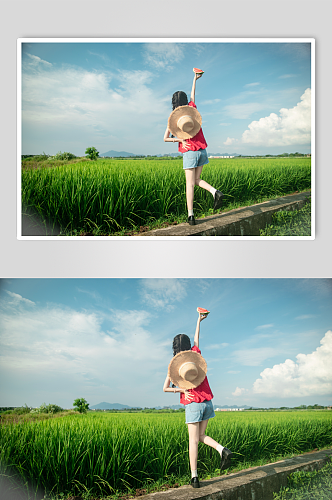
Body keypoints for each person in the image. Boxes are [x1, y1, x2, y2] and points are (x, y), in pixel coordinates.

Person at [163, 310, 233, 488]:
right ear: (187, 346)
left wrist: (179, 390)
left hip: (193, 403)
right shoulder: (195, 356)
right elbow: (196, 340)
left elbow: (165, 388)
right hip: (208, 403)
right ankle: (221, 449)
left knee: (193, 441)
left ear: (174, 348)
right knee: (201, 436)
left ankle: (194, 477)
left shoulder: (175, 366)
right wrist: (198, 321)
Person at [164, 72, 224, 226]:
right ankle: (214, 192)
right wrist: (194, 79)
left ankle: (191, 216)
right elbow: (193, 96)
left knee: (189, 184)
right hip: (202, 150)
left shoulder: (173, 119)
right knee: (196, 180)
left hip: (189, 151)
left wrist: (179, 139)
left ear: (173, 103)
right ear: (184, 101)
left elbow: (165, 138)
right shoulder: (191, 111)